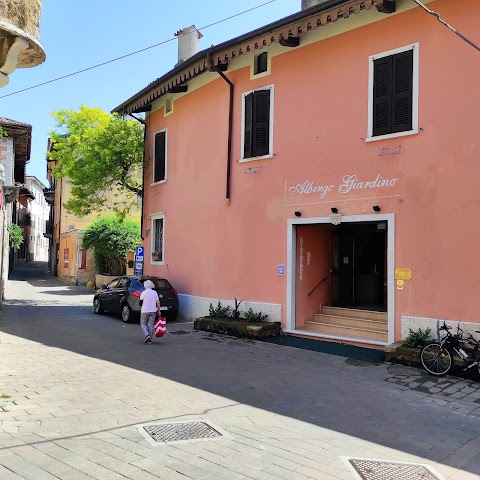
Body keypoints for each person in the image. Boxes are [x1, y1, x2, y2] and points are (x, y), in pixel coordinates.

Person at [139, 279, 160, 344]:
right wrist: (158, 311)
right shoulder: (155, 292)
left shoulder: (143, 293)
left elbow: (140, 302)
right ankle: (150, 339)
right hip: (153, 310)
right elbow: (158, 302)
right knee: (150, 324)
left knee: (143, 323)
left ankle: (147, 335)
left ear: (145, 286)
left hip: (144, 310)